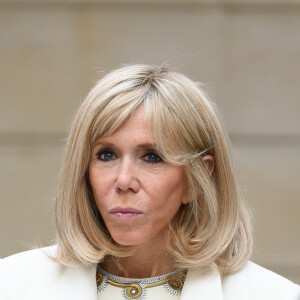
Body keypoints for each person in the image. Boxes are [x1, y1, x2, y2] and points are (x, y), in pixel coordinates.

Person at [0, 64, 299, 300]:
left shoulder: (273, 295)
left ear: (198, 180)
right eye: (106, 155)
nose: (124, 180)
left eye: (152, 157)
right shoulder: (11, 285)